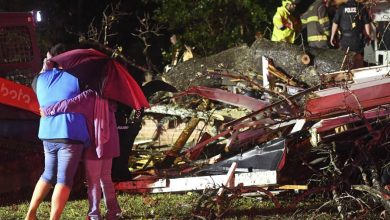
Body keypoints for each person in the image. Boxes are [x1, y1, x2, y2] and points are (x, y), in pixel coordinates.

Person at [26, 44, 90, 220]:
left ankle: (31, 213)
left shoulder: (39, 80)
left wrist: (46, 64)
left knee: (48, 174)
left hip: (47, 133)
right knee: (64, 180)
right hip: (69, 133)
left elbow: (37, 80)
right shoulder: (77, 78)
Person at [41, 89, 122, 220]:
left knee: (93, 182)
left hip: (95, 144)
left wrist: (47, 110)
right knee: (106, 179)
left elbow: (67, 105)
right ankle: (114, 212)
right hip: (109, 143)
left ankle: (94, 215)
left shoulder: (88, 96)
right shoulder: (109, 96)